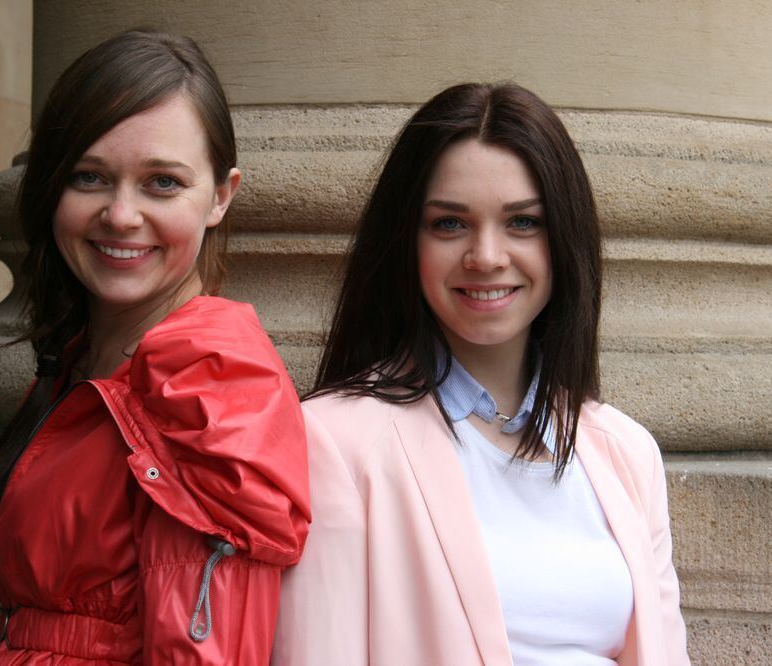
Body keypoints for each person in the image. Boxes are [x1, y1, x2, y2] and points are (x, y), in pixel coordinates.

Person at [273, 83, 689, 665]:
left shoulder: (627, 453)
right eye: (449, 224)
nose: (487, 256)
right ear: (406, 242)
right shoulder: (334, 441)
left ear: (563, 239)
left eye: (523, 222)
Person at [0, 30, 310, 664]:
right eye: (89, 177)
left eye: (162, 182)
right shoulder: (78, 360)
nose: (121, 215)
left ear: (220, 196)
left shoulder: (205, 384)